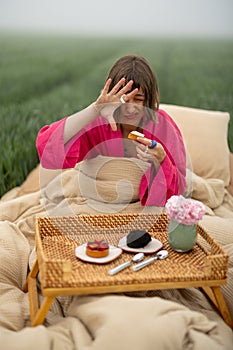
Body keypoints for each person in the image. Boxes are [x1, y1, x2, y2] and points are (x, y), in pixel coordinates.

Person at [36, 55, 186, 206]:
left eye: (139, 99)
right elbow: (47, 148)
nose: (130, 107)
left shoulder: (164, 126)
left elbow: (179, 186)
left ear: (149, 99)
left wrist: (161, 160)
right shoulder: (99, 122)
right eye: (124, 99)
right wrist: (95, 109)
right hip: (101, 200)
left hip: (143, 205)